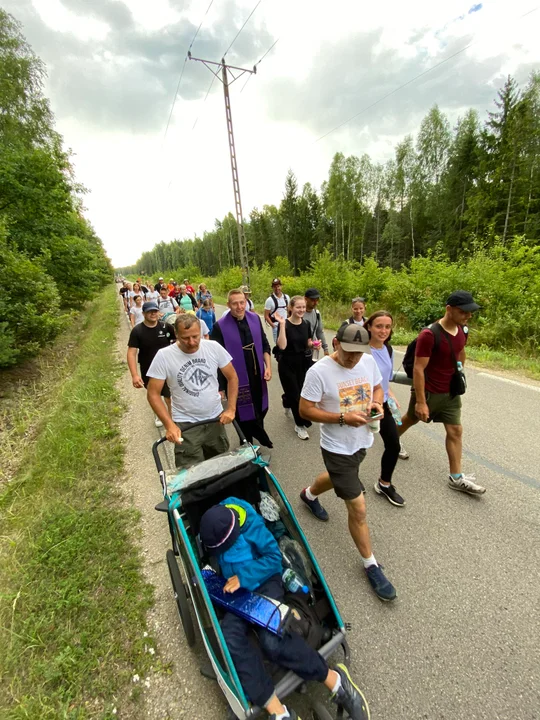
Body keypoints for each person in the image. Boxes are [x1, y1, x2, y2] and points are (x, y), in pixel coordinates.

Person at [199, 499, 370, 720]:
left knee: (271, 640)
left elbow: (274, 559)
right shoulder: (215, 521)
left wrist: (243, 577)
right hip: (235, 592)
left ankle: (335, 680)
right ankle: (279, 712)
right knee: (228, 636)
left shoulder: (251, 526)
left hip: (264, 581)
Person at [299, 323, 396, 601]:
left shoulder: (367, 360)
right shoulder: (318, 372)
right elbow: (305, 409)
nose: (354, 359)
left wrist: (378, 404)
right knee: (358, 507)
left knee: (336, 478)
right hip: (337, 447)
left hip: (363, 440)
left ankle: (308, 494)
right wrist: (342, 418)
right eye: (349, 352)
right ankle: (371, 565)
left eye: (359, 353)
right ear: (336, 342)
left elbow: (377, 387)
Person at [398, 290, 486, 495]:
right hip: (429, 392)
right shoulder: (429, 335)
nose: (468, 316)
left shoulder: (463, 330)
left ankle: (456, 477)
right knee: (411, 419)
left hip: (451, 393)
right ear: (449, 309)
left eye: (470, 312)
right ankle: (392, 440)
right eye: (464, 311)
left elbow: (461, 351)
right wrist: (420, 401)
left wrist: (459, 372)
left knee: (455, 431)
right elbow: (419, 368)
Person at [146, 314, 239, 469]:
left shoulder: (213, 347)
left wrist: (231, 409)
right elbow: (153, 394)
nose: (191, 342)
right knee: (192, 473)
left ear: (201, 331)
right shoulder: (164, 356)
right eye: (185, 338)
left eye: (195, 336)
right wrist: (169, 425)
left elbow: (232, 377)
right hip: (186, 424)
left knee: (221, 467)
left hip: (215, 420)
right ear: (176, 334)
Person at [211, 288, 273, 448]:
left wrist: (268, 367)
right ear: (228, 305)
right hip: (236, 378)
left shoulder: (255, 319)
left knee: (260, 407)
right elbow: (216, 359)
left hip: (256, 374)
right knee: (241, 413)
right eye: (235, 303)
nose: (239, 307)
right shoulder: (220, 327)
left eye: (242, 302)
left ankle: (257, 435)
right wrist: (220, 386)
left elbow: (265, 345)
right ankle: (247, 444)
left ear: (246, 302)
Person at [364, 311, 405, 507]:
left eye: (387, 327)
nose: (383, 331)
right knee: (360, 445)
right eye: (379, 326)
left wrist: (392, 395)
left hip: (383, 404)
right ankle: (351, 479)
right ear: (369, 327)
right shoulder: (362, 350)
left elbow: (384, 380)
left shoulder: (388, 349)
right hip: (364, 406)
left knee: (393, 445)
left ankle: (384, 484)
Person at [127, 301, 176, 428]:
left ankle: (171, 421)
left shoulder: (166, 327)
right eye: (149, 311)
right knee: (155, 395)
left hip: (168, 369)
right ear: (143, 313)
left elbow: (179, 341)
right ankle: (158, 414)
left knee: (169, 397)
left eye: (155, 311)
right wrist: (134, 375)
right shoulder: (137, 331)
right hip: (149, 369)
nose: (153, 314)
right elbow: (131, 353)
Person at [276, 296, 313, 441]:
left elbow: (308, 342)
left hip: (302, 363)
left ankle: (286, 401)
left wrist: (313, 344)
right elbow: (282, 346)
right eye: (298, 307)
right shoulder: (284, 324)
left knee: (300, 392)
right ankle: (300, 425)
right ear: (291, 308)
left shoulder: (306, 324)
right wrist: (282, 325)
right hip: (287, 364)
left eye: (303, 307)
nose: (301, 310)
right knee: (296, 395)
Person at [303, 288, 329, 362]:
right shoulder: (300, 313)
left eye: (317, 300)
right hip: (300, 351)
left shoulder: (317, 313)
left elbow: (319, 332)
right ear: (306, 299)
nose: (316, 302)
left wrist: (325, 349)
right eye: (313, 300)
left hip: (313, 351)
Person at [264, 278, 290, 344]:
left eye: (278, 286)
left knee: (288, 344)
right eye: (275, 286)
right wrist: (273, 326)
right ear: (272, 287)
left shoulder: (286, 297)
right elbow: (266, 316)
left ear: (281, 286)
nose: (277, 288)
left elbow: (289, 310)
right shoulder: (269, 300)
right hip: (276, 326)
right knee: (279, 346)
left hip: (286, 325)